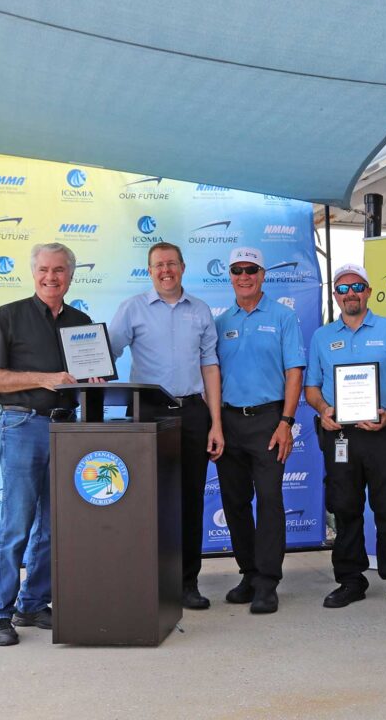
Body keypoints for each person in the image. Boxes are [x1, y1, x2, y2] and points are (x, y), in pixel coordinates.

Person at [0, 243, 92, 646]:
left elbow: (90, 378)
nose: (51, 277)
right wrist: (42, 378)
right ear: (33, 272)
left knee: (54, 525)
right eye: (44, 269)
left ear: (71, 275)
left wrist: (95, 382)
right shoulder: (9, 316)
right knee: (17, 523)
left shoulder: (82, 323)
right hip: (22, 424)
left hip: (67, 428)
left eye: (59, 270)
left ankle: (34, 603)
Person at [109, 241, 224, 610]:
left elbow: (210, 367)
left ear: (183, 267)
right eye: (158, 265)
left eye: (171, 263)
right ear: (150, 271)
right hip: (148, 412)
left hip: (193, 413)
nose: (165, 270)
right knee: (147, 500)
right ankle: (148, 582)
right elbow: (106, 350)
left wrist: (216, 424)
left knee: (190, 500)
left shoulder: (201, 311)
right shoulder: (132, 309)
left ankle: (187, 583)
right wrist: (88, 368)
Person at [304, 263, 386, 609]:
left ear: (368, 291)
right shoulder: (322, 337)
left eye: (356, 287)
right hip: (341, 436)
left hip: (384, 432)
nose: (350, 294)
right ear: (335, 296)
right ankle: (350, 580)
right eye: (342, 289)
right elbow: (312, 387)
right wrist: (323, 410)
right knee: (345, 508)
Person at [214, 247, 305, 615]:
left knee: (269, 501)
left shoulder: (283, 317)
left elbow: (294, 372)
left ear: (263, 275)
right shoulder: (221, 322)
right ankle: (249, 574)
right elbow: (211, 374)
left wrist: (286, 422)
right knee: (234, 503)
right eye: (237, 270)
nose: (244, 275)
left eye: (251, 269)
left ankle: (268, 582)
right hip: (229, 421)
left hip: (270, 420)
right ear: (231, 276)